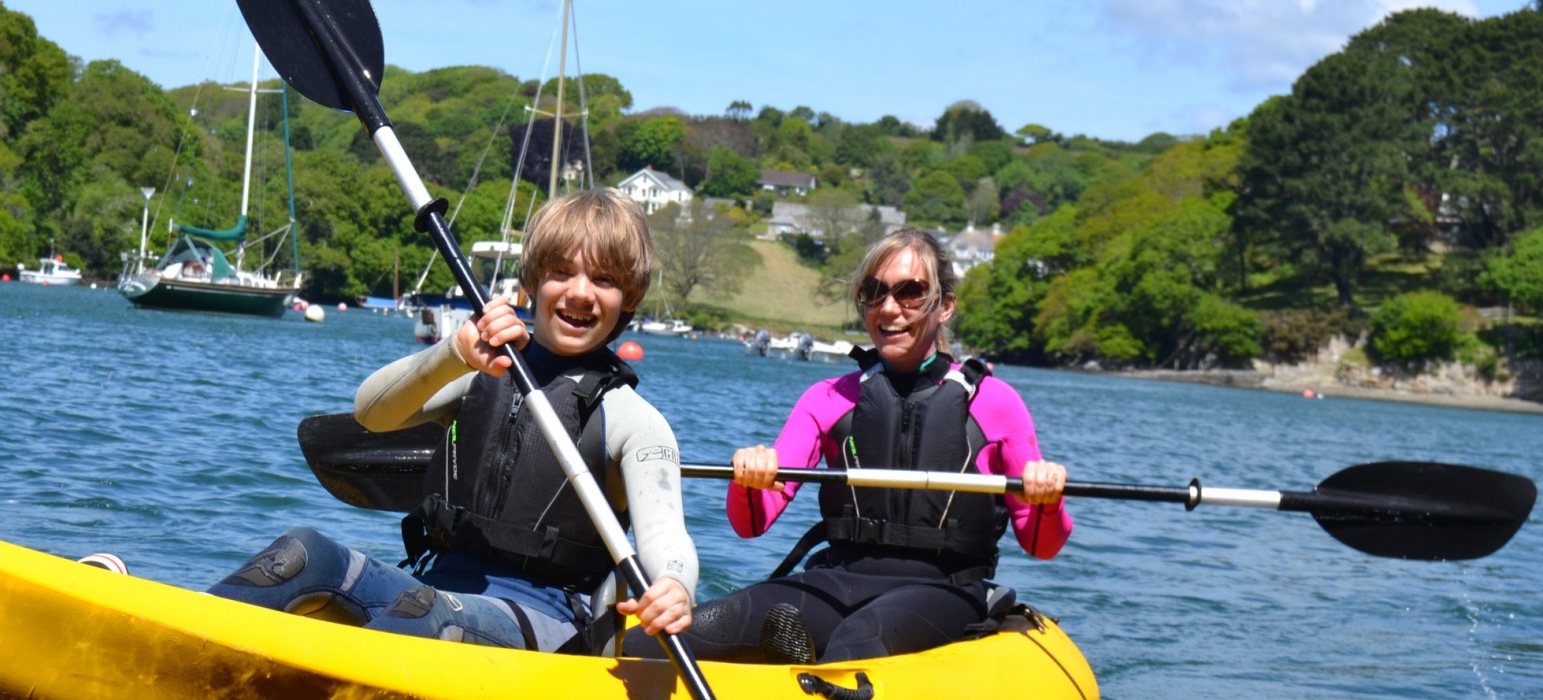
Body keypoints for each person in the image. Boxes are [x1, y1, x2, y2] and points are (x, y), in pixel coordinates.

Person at [206, 189, 699, 653]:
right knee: (302, 553)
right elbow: (372, 414)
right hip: (431, 588)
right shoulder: (484, 370)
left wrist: (674, 584)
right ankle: (180, 652)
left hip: (548, 619)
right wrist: (454, 354)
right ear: (531, 282)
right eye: (561, 272)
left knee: (431, 616)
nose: (580, 293)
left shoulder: (634, 421)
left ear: (630, 298)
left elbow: (665, 537)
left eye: (605, 280)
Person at [626, 227, 1071, 664]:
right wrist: (749, 481)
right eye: (874, 292)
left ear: (945, 306)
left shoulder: (995, 404)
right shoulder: (827, 398)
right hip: (840, 577)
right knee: (668, 640)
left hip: (950, 587)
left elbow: (1041, 546)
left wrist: (1047, 500)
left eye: (910, 292)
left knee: (859, 639)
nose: (889, 308)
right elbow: (752, 525)